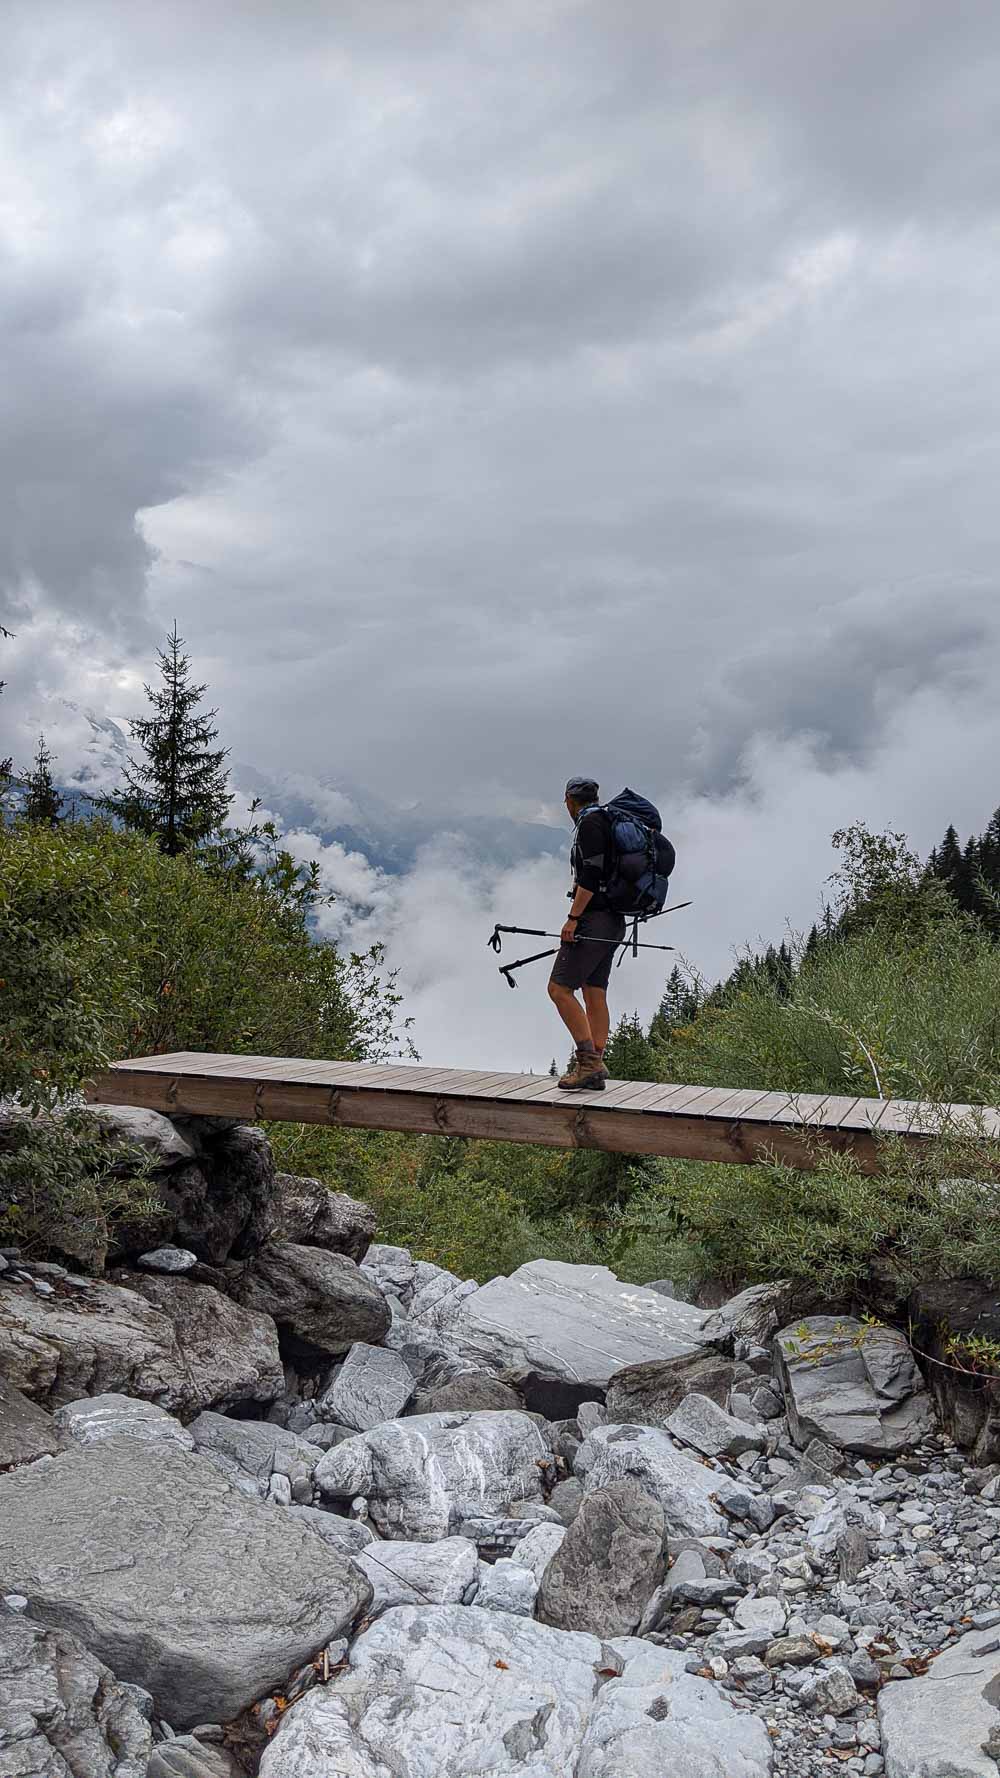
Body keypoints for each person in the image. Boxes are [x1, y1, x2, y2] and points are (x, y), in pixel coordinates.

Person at [548, 775, 626, 1090]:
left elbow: (591, 877)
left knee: (559, 989)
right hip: (614, 920)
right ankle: (596, 1062)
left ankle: (589, 1063)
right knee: (595, 993)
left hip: (594, 920)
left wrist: (573, 918)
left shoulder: (590, 825)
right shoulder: (607, 821)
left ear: (569, 800)